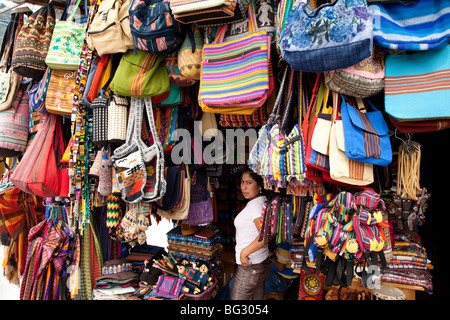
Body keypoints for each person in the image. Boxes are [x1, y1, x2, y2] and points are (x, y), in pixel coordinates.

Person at [230, 168, 270, 300]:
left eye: (249, 182)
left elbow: (265, 236)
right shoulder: (260, 201)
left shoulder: (255, 206)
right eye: (242, 182)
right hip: (259, 262)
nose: (243, 187)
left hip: (249, 266)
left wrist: (244, 253)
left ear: (260, 185)